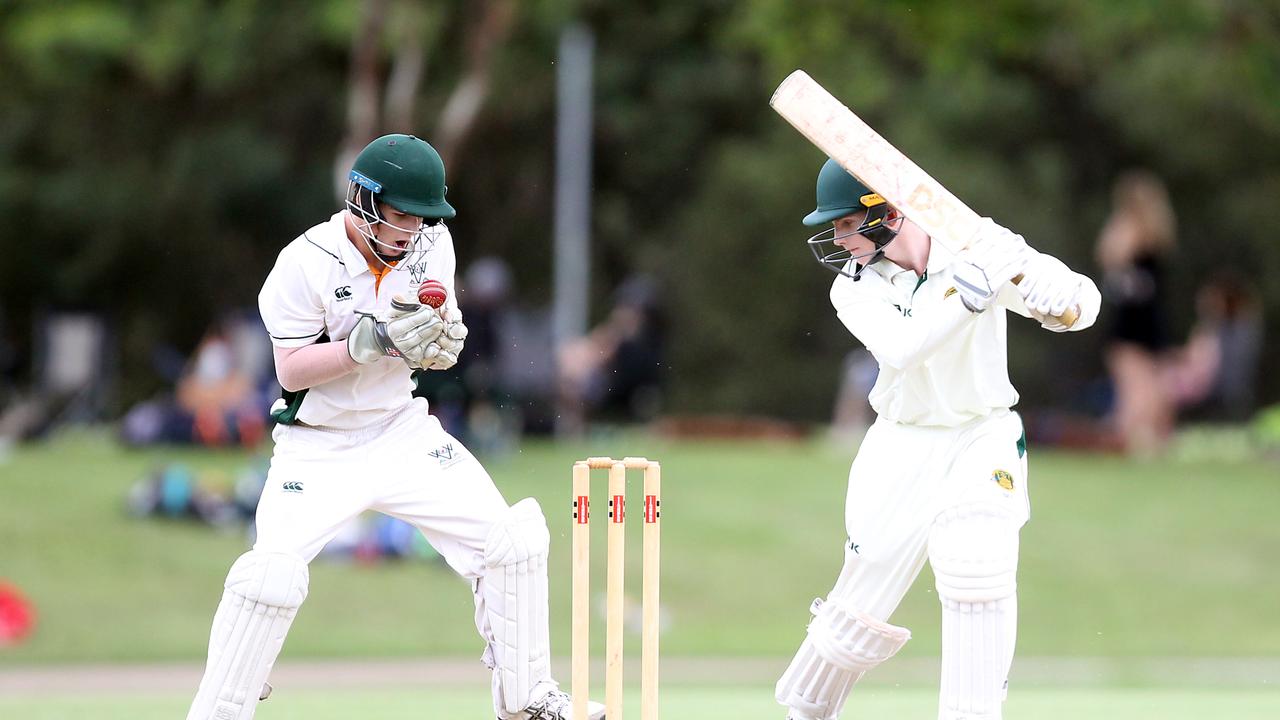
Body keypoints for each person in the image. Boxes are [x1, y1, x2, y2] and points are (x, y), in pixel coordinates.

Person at [186, 134, 603, 720]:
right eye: (401, 214)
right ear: (363, 200)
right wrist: (370, 342)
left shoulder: (432, 244)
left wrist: (442, 346)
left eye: (422, 217)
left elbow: (440, 330)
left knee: (512, 542)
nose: (410, 232)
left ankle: (528, 701)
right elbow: (290, 368)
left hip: (401, 432)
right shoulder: (305, 262)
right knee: (268, 579)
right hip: (318, 447)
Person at [774, 159, 1102, 720]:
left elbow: (1083, 306)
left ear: (889, 212)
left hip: (983, 432)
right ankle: (806, 709)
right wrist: (970, 290)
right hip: (903, 441)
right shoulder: (851, 290)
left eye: (847, 223)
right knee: (861, 598)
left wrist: (1060, 297)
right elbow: (903, 347)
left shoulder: (974, 247)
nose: (839, 238)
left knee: (978, 565)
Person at [1095, 170, 1177, 455]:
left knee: (1140, 389)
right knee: (1145, 387)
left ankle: (1133, 441)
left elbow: (1111, 256)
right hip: (1141, 319)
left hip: (1135, 320)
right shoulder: (1158, 231)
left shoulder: (1132, 232)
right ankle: (1138, 442)